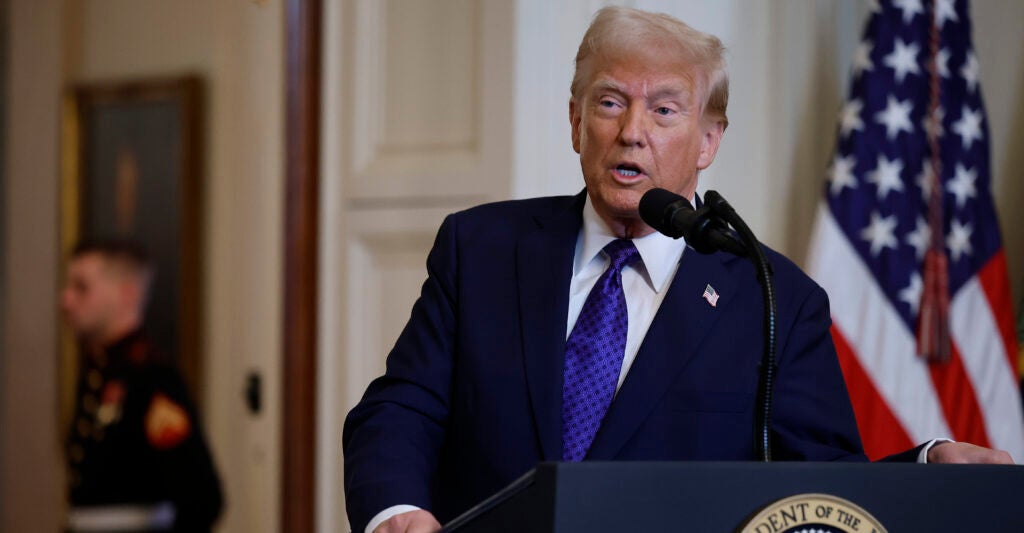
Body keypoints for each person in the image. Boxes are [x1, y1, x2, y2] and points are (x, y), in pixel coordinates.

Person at [342, 7, 1012, 533]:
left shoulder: (773, 297)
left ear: (709, 141)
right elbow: (400, 408)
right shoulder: (481, 248)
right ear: (576, 122)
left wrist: (926, 465)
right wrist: (394, 510)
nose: (632, 130)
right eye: (610, 102)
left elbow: (820, 487)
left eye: (664, 109)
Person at [60, 239, 223, 532]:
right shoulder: (98, 371)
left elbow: (202, 499)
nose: (66, 300)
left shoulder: (151, 378)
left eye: (81, 288)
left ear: (126, 295)